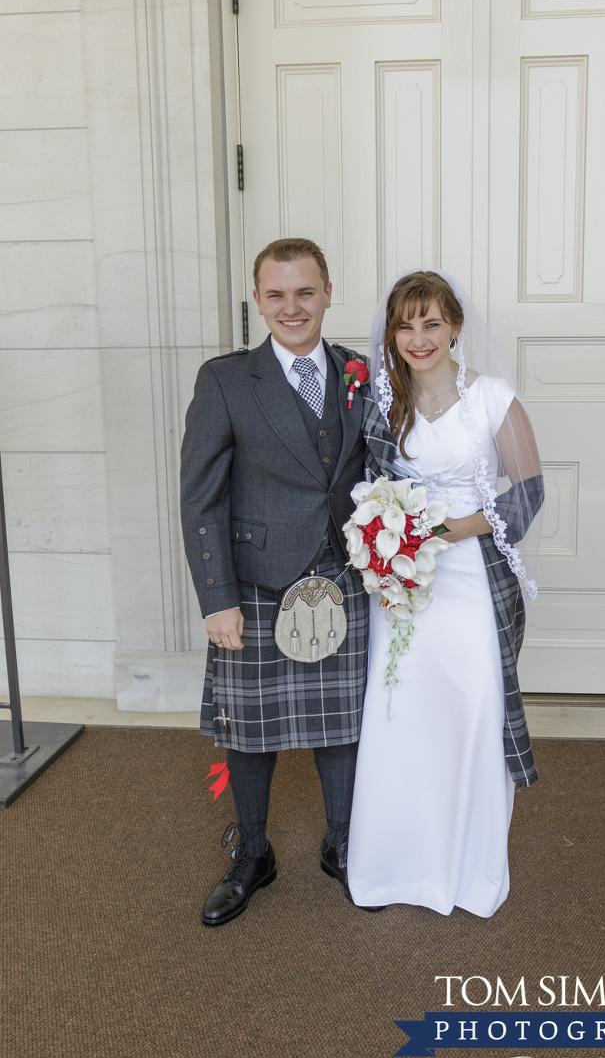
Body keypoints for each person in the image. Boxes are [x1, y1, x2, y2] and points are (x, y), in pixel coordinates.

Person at [180, 237, 395, 926]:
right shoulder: (224, 381)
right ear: (258, 301)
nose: (292, 307)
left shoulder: (361, 371)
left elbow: (383, 468)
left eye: (305, 292)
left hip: (342, 578)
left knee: (343, 725)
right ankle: (252, 855)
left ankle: (342, 844)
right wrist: (217, 600)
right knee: (250, 731)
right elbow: (200, 498)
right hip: (258, 582)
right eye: (276, 294)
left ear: (328, 293)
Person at [347, 270, 544, 918]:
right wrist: (391, 532)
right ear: (391, 333)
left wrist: (451, 529)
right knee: (402, 714)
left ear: (456, 326)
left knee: (473, 710)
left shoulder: (492, 398)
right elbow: (366, 487)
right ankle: (396, 862)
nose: (419, 337)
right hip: (405, 583)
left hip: (472, 580)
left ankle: (468, 866)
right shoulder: (382, 403)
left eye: (431, 322)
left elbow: (529, 491)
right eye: (405, 324)